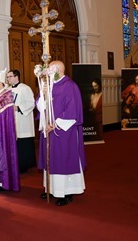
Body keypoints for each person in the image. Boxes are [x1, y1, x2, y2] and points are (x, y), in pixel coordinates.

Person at [37, 60, 86, 206]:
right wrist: (43, 93)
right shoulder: (50, 86)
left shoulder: (70, 86)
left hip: (65, 132)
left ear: (58, 70)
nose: (47, 72)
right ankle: (52, 189)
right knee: (51, 159)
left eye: (50, 70)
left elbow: (72, 111)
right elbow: (40, 105)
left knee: (64, 159)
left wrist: (55, 124)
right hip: (48, 129)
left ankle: (67, 191)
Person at [6, 70, 36, 173]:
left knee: (23, 143)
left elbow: (31, 103)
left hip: (22, 120)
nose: (8, 79)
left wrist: (18, 108)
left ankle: (24, 165)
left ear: (16, 77)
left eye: (10, 76)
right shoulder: (8, 89)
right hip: (12, 120)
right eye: (7, 77)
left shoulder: (25, 88)